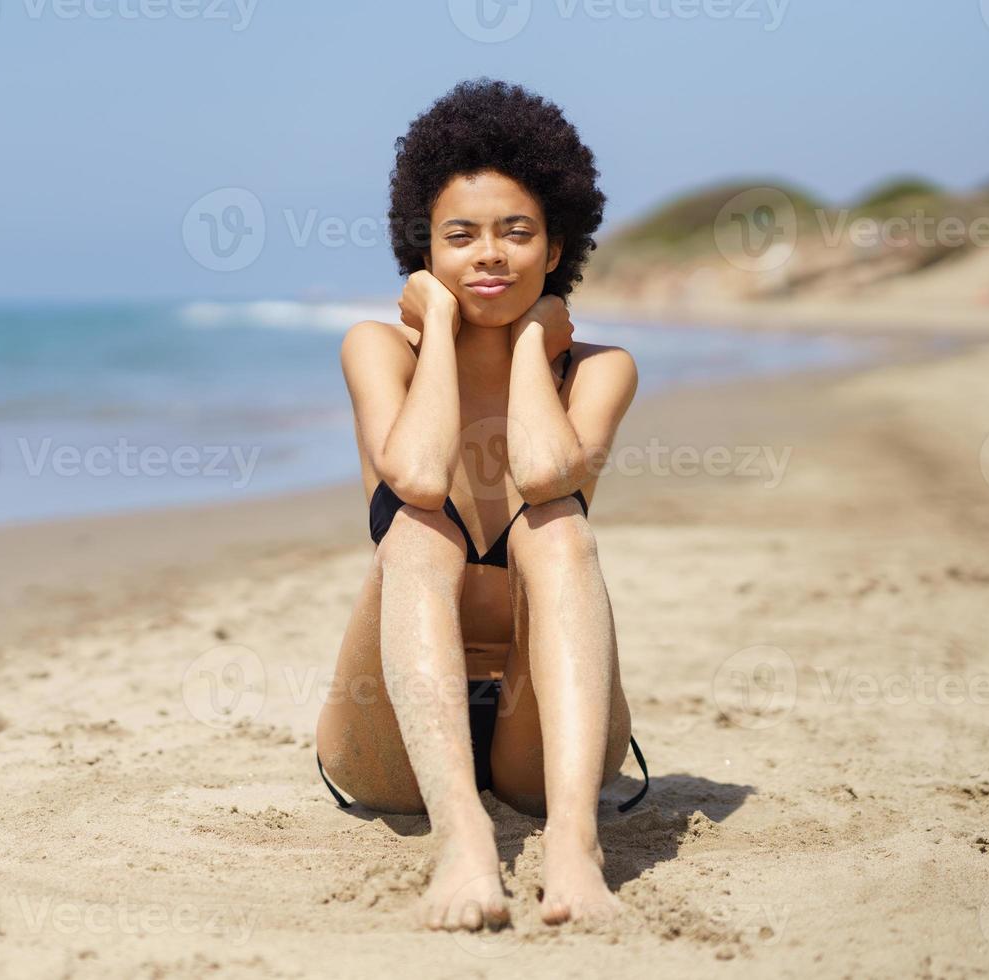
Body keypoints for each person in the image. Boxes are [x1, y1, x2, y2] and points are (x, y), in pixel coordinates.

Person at [314, 78, 647, 932]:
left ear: (556, 245)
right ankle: (462, 840)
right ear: (424, 249)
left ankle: (574, 844)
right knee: (421, 531)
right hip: (395, 731)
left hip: (548, 725)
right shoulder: (376, 349)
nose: (489, 254)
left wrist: (534, 340)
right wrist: (440, 337)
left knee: (559, 524)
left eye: (516, 232)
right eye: (459, 236)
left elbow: (544, 473)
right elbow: (419, 478)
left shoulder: (601, 369)